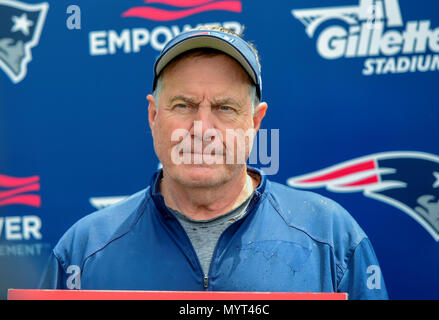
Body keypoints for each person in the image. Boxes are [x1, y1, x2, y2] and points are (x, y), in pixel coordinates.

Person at [39, 25, 388, 299]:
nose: (202, 129)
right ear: (153, 115)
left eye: (224, 108)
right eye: (183, 105)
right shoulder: (83, 252)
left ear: (254, 122)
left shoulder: (331, 239)